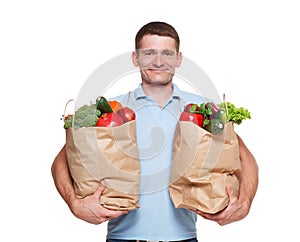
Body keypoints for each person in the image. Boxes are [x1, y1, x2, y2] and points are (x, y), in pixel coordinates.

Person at [51, 21, 259, 241]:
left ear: (178, 59)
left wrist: (244, 203)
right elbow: (61, 162)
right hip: (122, 238)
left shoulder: (202, 110)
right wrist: (75, 204)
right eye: (149, 53)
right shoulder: (112, 110)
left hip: (184, 238)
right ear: (136, 58)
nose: (159, 62)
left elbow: (246, 158)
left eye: (167, 54)